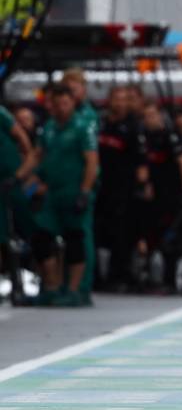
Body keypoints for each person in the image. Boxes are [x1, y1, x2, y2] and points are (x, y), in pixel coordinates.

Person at [30, 84, 98, 307]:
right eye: (56, 103)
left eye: (65, 103)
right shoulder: (48, 127)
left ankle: (75, 290)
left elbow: (91, 162)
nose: (61, 108)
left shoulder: (82, 127)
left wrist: (85, 192)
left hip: (73, 190)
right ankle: (51, 286)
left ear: (73, 103)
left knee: (74, 238)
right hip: (51, 192)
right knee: (41, 236)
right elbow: (37, 156)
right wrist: (22, 179)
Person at [95, 86, 146, 291]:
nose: (120, 103)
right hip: (100, 185)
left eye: (124, 99)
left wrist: (141, 187)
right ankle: (95, 277)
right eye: (116, 98)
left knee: (121, 234)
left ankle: (118, 276)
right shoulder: (101, 123)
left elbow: (141, 161)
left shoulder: (134, 127)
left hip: (123, 188)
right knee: (97, 231)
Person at [139, 104, 182, 293]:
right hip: (151, 198)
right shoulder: (144, 138)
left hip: (172, 196)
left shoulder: (170, 137)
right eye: (145, 116)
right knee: (150, 237)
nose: (149, 119)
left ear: (160, 117)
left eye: (152, 115)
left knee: (171, 241)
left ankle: (170, 281)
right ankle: (151, 278)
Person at [60, 68, 99, 301]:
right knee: (67, 235)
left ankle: (82, 286)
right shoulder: (59, 117)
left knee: (81, 234)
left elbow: (91, 158)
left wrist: (85, 189)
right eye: (67, 88)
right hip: (61, 186)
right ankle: (65, 284)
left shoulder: (87, 117)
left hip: (81, 183)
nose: (71, 92)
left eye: (74, 88)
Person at [0, 103, 36, 290]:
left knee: (27, 227)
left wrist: (21, 173)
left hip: (12, 181)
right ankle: (13, 282)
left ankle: (33, 276)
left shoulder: (2, 115)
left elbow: (25, 144)